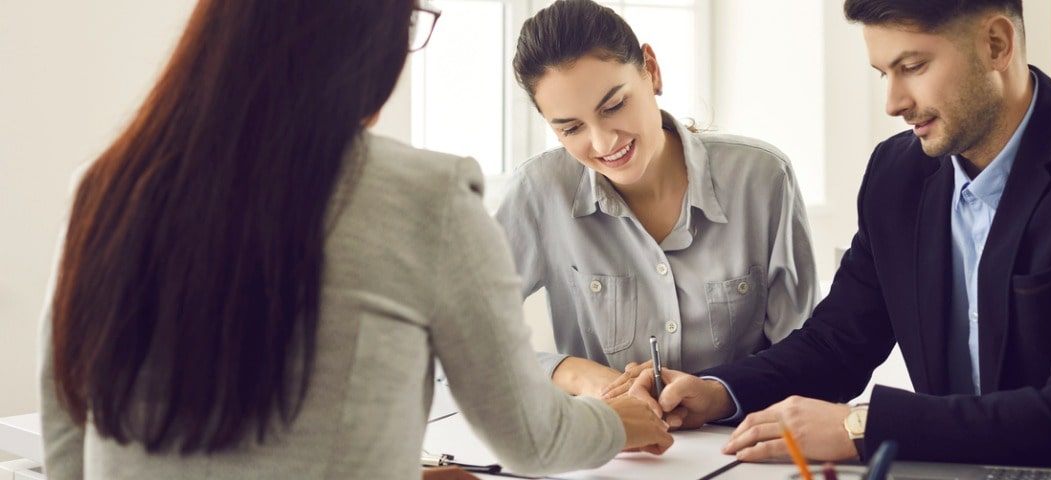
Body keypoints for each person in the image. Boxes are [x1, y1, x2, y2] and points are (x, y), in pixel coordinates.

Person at [37, 0, 673, 479]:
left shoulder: (106, 184)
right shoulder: (428, 196)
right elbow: (529, 439)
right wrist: (615, 422)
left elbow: (66, 437)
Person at [630, 0, 1051, 477]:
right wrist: (715, 389)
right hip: (955, 468)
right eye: (884, 74)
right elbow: (838, 344)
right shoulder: (898, 174)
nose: (893, 103)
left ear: (997, 45)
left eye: (913, 66)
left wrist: (862, 426)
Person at [496, 0, 819, 399]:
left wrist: (720, 395)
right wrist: (575, 374)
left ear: (651, 69)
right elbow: (455, 338)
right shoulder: (539, 191)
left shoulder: (762, 178)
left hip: (743, 445)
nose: (603, 142)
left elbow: (807, 356)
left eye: (614, 105)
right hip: (609, 450)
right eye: (571, 128)